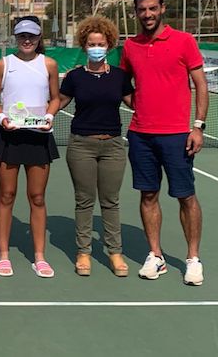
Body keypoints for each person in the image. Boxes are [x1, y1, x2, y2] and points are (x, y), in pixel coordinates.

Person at [121, 0, 208, 286]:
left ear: (162, 9)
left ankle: (193, 259)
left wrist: (198, 126)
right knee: (148, 195)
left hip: (177, 136)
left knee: (186, 196)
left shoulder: (184, 41)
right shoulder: (130, 46)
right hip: (140, 136)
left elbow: (200, 84)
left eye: (152, 8)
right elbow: (124, 86)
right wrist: (140, 105)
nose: (147, 14)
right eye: (142, 10)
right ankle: (155, 256)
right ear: (136, 12)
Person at [59, 16, 133, 277]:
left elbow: (135, 102)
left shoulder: (120, 77)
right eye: (91, 43)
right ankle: (84, 252)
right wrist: (31, 117)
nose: (96, 47)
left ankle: (115, 252)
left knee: (111, 202)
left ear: (109, 44)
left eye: (101, 43)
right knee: (84, 201)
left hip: (113, 146)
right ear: (84, 45)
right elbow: (58, 103)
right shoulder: (75, 77)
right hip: (81, 146)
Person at [0, 16, 60, 278]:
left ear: (39, 37)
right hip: (9, 137)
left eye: (31, 35)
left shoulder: (49, 64)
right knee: (6, 196)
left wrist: (50, 117)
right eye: (22, 36)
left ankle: (39, 257)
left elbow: (55, 98)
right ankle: (4, 255)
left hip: (39, 137)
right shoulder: (4, 64)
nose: (27, 40)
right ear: (15, 38)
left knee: (37, 198)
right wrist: (1, 118)